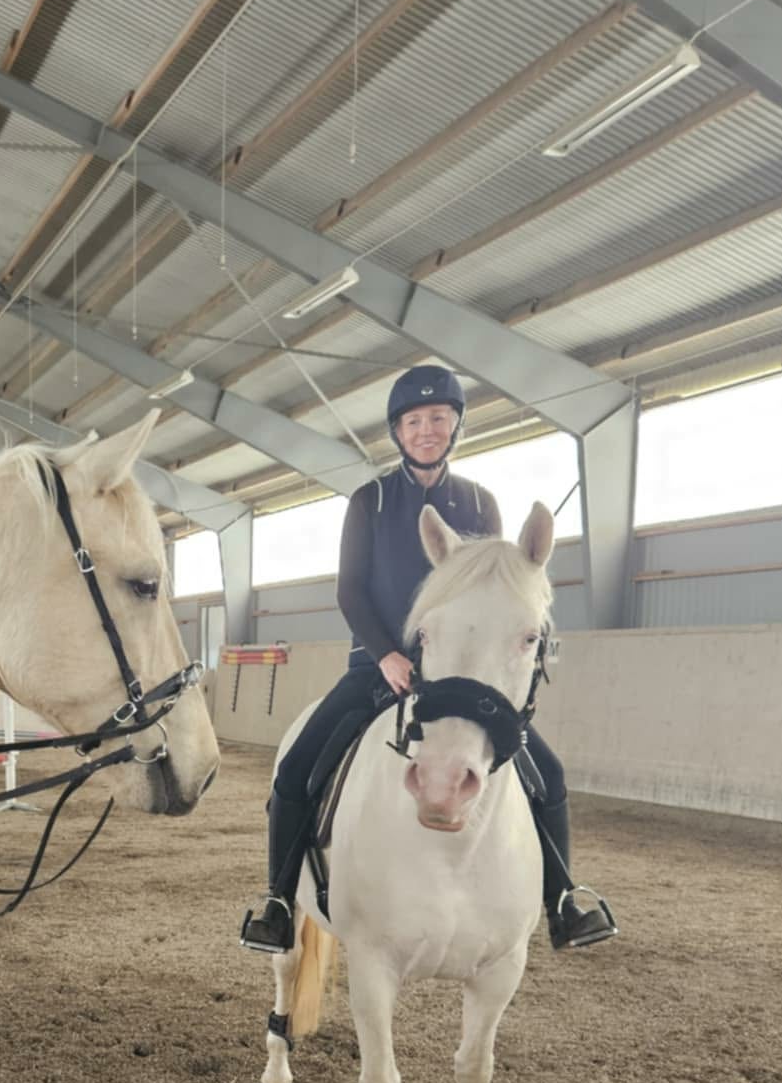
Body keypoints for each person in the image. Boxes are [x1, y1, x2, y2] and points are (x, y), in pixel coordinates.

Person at [239, 363, 616, 956]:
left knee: (550, 776)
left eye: (438, 419)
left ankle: (564, 900)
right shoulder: (371, 500)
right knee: (296, 772)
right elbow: (351, 590)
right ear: (397, 432)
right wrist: (386, 654)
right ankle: (280, 902)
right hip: (376, 669)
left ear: (455, 426)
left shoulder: (480, 503)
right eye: (413, 421)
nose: (426, 430)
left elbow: (496, 590)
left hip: (463, 680)